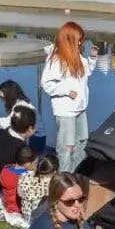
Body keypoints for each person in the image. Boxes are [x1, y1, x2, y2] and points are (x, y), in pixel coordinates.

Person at [40, 21, 96, 173]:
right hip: (66, 111)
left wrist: (92, 59)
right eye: (79, 40)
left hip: (80, 108)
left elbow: (87, 73)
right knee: (67, 146)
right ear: (70, 39)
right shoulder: (57, 60)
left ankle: (78, 174)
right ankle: (64, 177)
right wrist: (66, 90)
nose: (81, 43)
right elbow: (46, 84)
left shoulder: (77, 56)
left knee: (82, 142)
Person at [0, 107, 36, 204]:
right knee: (31, 171)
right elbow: (23, 166)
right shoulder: (20, 146)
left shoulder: (8, 132)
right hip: (2, 187)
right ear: (29, 129)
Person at [0, 146, 38, 226]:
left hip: (8, 203)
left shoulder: (6, 170)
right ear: (27, 163)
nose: (36, 165)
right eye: (35, 163)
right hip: (18, 207)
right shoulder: (24, 176)